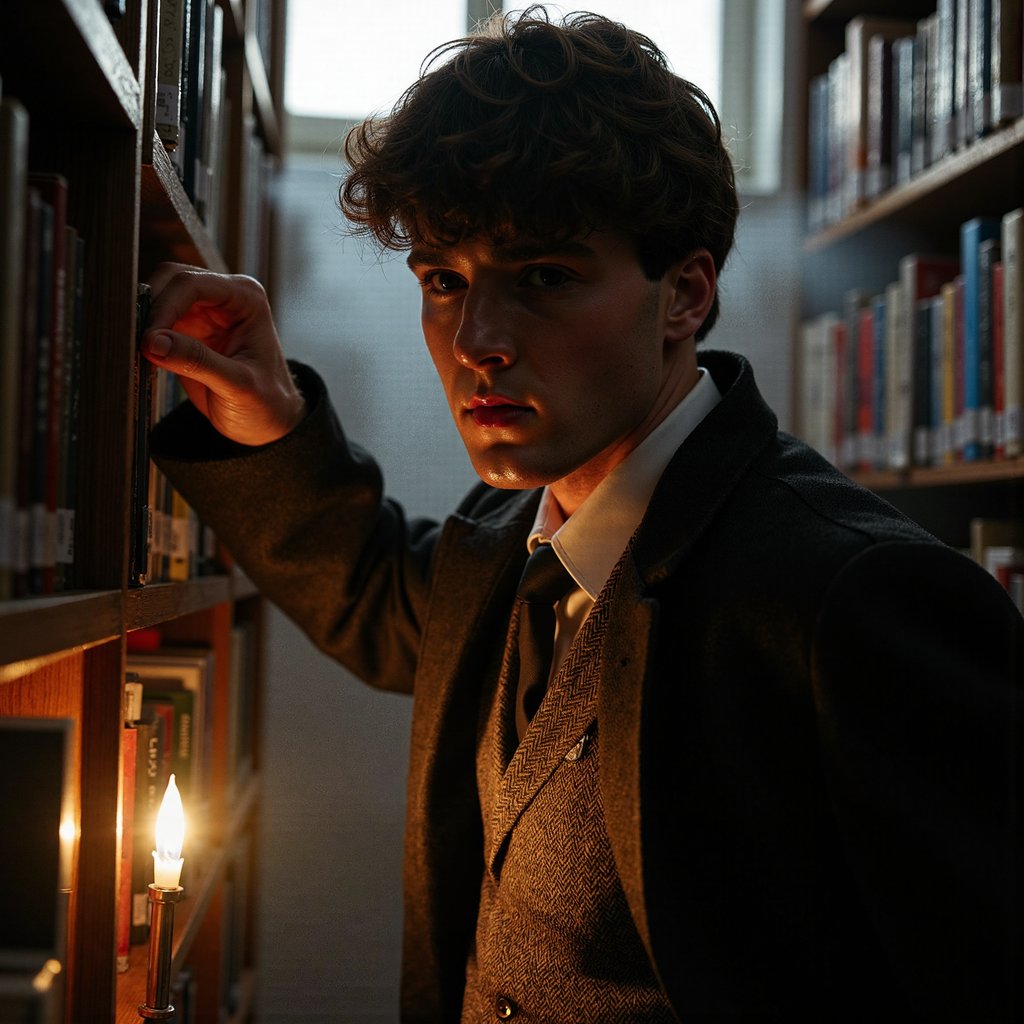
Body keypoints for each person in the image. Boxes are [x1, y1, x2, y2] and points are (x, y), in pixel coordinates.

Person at [142, 8, 1022, 1022]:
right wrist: (269, 419)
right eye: (443, 280)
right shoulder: (509, 541)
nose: (476, 338)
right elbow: (382, 600)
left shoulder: (859, 596)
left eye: (544, 278)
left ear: (684, 294)